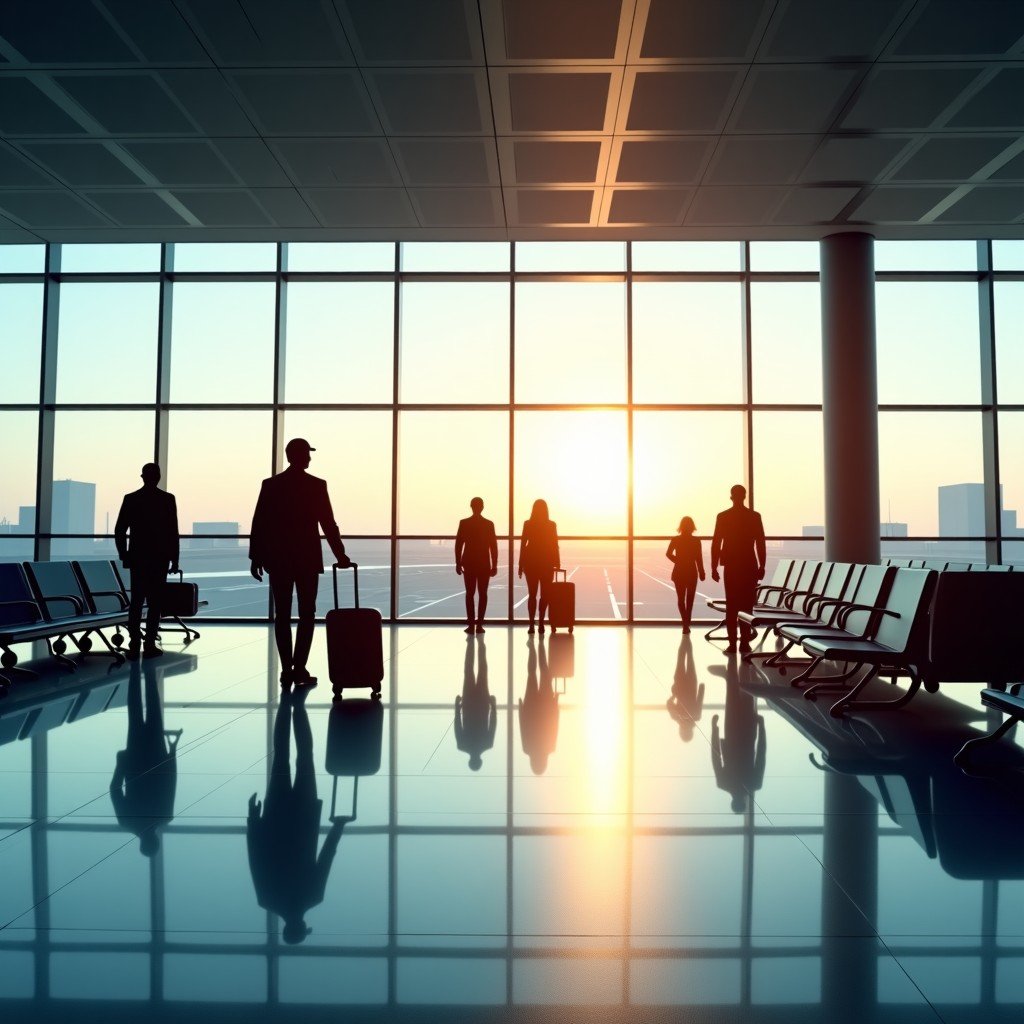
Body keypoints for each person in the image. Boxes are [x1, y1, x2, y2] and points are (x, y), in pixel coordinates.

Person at [247, 688, 347, 944]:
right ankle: (285, 702)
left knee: (304, 758)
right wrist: (253, 821)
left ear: (302, 926)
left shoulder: (313, 897)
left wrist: (338, 827)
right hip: (276, 818)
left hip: (303, 817)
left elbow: (326, 857)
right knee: (280, 756)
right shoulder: (267, 899)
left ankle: (298, 705)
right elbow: (256, 857)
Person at [250, 438, 350, 688]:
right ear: (300, 455)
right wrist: (340, 555)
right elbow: (328, 524)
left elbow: (259, 522)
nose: (310, 458)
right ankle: (300, 667)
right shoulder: (316, 486)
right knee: (307, 614)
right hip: (306, 558)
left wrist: (256, 556)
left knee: (282, 615)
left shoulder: (271, 485)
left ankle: (286, 669)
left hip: (279, 559)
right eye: (308, 453)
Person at [109, 660, 182, 856]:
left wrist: (172, 752)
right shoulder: (127, 822)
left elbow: (170, 782)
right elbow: (115, 790)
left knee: (153, 707)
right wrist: (121, 765)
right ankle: (135, 665)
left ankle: (148, 666)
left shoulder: (165, 817)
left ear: (155, 841)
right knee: (134, 710)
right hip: (134, 761)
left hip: (156, 757)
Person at [114, 462, 180, 660]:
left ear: (142, 477)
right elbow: (172, 532)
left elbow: (119, 530)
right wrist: (174, 559)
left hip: (138, 558)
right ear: (158, 477)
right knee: (155, 603)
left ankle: (134, 643)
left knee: (136, 602)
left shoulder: (131, 499)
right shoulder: (167, 500)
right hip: (159, 559)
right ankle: (149, 643)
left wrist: (123, 554)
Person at [710, 484, 766, 655]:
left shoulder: (723, 517)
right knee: (747, 606)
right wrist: (762, 565)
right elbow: (760, 543)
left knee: (732, 605)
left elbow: (716, 543)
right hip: (749, 565)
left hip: (732, 566)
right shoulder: (754, 516)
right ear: (744, 496)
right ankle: (744, 642)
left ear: (731, 497)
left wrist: (714, 566)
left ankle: (733, 643)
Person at [709, 659, 766, 813]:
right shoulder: (724, 783)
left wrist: (762, 728)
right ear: (732, 802)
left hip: (748, 734)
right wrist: (714, 729)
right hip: (732, 733)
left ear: (744, 802)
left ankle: (744, 658)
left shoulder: (754, 784)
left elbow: (761, 754)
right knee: (733, 696)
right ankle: (732, 662)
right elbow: (715, 756)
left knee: (745, 693)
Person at [454, 497, 498, 635]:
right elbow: (493, 547)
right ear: (482, 507)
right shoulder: (489, 524)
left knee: (469, 594)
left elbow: (458, 544)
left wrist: (457, 562)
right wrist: (495, 564)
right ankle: (479, 625)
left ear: (471, 506)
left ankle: (471, 624)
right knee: (483, 594)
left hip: (469, 562)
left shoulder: (464, 523)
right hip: (484, 563)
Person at [517, 499, 560, 634]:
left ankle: (531, 624)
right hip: (546, 562)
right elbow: (554, 544)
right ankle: (541, 623)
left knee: (532, 594)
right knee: (545, 595)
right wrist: (557, 562)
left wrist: (520, 564)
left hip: (530, 563)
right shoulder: (551, 525)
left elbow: (523, 545)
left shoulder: (528, 524)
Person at [454, 638, 496, 771]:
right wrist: (457, 707)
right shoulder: (462, 745)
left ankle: (481, 643)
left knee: (483, 671)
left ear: (480, 760)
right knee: (468, 670)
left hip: (483, 704)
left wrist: (493, 706)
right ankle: (471, 644)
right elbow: (458, 725)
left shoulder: (487, 744)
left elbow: (493, 723)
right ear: (470, 761)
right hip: (468, 703)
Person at [519, 636, 559, 775]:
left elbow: (554, 724)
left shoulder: (550, 747)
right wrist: (521, 708)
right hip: (530, 707)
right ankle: (532, 649)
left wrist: (555, 703)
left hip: (546, 706)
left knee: (544, 673)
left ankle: (540, 646)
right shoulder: (527, 748)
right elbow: (523, 726)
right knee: (531, 674)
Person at [665, 516, 705, 633]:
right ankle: (687, 622)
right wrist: (702, 571)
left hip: (679, 571)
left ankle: (685, 624)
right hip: (692, 571)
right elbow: (699, 558)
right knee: (690, 599)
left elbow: (668, 554)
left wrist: (678, 560)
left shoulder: (676, 539)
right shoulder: (696, 541)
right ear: (692, 527)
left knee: (681, 598)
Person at [666, 635, 704, 743]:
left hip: (690, 684)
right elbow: (669, 703)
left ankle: (686, 637)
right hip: (680, 684)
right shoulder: (676, 717)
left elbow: (700, 695)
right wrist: (674, 695)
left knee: (689, 658)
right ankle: (685, 637)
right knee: (682, 658)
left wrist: (701, 687)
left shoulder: (696, 716)